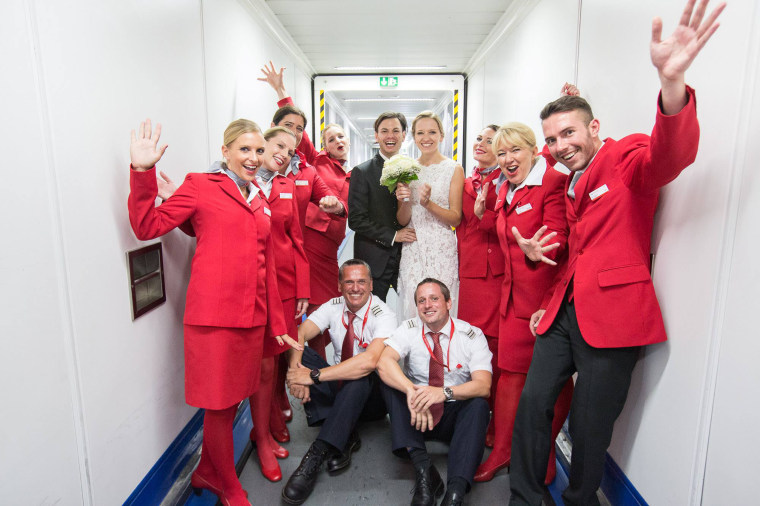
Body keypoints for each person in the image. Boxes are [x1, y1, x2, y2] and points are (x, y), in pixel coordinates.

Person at [509, 1, 725, 504]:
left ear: (596, 128)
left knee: (589, 427)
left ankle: (580, 499)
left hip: (615, 315)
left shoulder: (624, 157)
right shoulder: (571, 168)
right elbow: (559, 151)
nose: (560, 146)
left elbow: (669, 155)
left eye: (570, 133)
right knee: (533, 404)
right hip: (563, 311)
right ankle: (523, 496)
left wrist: (672, 85)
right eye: (552, 138)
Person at [127, 118, 300, 505]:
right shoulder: (201, 185)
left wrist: (276, 322)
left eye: (258, 151)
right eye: (244, 150)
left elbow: (264, 261)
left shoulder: (256, 194)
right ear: (225, 152)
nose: (254, 158)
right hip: (214, 319)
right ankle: (226, 482)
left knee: (235, 398)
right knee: (219, 405)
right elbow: (146, 225)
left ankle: (208, 469)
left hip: (253, 317)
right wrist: (142, 172)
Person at [472, 122, 573, 485]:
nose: (508, 158)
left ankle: (542, 451)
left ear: (534, 150)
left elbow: (558, 236)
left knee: (555, 381)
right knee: (511, 378)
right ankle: (504, 450)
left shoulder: (552, 184)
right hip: (512, 301)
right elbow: (499, 232)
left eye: (515, 150)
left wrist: (539, 248)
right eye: (501, 153)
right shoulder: (506, 188)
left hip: (546, 302)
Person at [279, 259, 397, 504]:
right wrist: (295, 372)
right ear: (340, 286)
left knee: (360, 373)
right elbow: (299, 334)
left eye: (361, 282)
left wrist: (312, 377)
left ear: (371, 285)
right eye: (349, 282)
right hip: (339, 386)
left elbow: (369, 361)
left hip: (371, 397)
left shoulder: (384, 314)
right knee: (296, 352)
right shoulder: (332, 306)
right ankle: (345, 432)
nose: (355, 288)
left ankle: (315, 455)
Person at [261, 62, 350, 362]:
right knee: (297, 312)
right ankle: (304, 372)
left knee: (320, 308)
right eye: (331, 138)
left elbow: (341, 206)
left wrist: (336, 205)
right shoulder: (312, 161)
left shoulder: (344, 173)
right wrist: (281, 92)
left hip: (327, 249)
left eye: (342, 138)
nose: (337, 142)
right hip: (301, 245)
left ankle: (319, 370)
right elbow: (296, 132)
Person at [377, 278, 492, 506]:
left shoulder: (471, 335)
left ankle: (455, 494)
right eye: (421, 300)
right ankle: (425, 475)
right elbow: (384, 361)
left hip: (452, 414)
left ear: (449, 303)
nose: (427, 305)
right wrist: (410, 391)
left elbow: (483, 385)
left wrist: (444, 393)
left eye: (434, 299)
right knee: (389, 383)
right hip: (417, 412)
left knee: (478, 404)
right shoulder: (408, 329)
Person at [455, 124, 503, 446]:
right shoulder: (464, 179)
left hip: (498, 270)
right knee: (472, 341)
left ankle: (495, 418)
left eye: (490, 141)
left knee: (496, 347)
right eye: (480, 139)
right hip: (471, 270)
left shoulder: (509, 177)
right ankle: (471, 410)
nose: (482, 144)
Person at [396, 111, 464, 320]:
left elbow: (455, 217)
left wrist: (428, 204)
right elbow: (402, 220)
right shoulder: (406, 170)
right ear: (414, 137)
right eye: (421, 133)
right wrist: (405, 198)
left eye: (432, 132)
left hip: (441, 247)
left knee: (440, 302)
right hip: (413, 248)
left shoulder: (453, 169)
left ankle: (443, 352)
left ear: (442, 136)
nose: (426, 138)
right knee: (413, 302)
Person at [348, 112, 417, 301]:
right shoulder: (362, 172)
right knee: (372, 314)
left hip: (408, 256)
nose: (390, 136)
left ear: (404, 135)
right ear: (376, 136)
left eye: (396, 131)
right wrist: (394, 235)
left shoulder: (414, 170)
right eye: (384, 131)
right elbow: (356, 220)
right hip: (374, 257)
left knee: (410, 310)